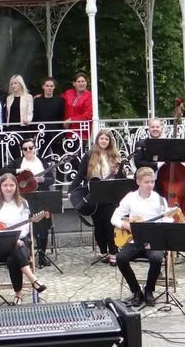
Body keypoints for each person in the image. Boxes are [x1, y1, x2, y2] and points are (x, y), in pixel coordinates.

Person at [112, 167, 171, 307]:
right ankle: (136, 291)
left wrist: (165, 224)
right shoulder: (130, 198)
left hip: (154, 239)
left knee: (156, 258)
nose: (150, 185)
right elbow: (114, 218)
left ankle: (149, 290)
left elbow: (168, 219)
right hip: (135, 239)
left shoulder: (159, 199)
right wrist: (126, 226)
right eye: (146, 182)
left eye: (152, 182)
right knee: (121, 258)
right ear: (138, 182)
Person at [0, 173, 46, 304]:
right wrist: (9, 239)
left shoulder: (23, 203)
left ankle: (18, 293)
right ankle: (32, 279)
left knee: (14, 256)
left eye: (12, 185)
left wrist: (14, 239)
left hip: (21, 242)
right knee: (14, 247)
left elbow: (25, 228)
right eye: (5, 185)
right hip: (0, 244)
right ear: (0, 187)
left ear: (16, 186)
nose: (8, 188)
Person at [69, 130, 125, 265]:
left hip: (111, 194)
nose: (104, 141)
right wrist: (72, 190)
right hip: (94, 193)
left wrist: (120, 173)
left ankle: (113, 252)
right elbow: (81, 174)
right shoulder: (89, 155)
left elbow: (121, 178)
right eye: (102, 139)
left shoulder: (116, 156)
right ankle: (104, 251)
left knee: (110, 223)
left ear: (110, 141)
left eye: (107, 139)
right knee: (99, 224)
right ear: (97, 140)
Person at [7, 139, 55, 267]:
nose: (28, 150)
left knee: (43, 227)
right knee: (24, 227)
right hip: (23, 198)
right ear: (21, 151)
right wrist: (18, 171)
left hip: (41, 197)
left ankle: (42, 255)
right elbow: (4, 171)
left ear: (35, 148)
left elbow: (52, 179)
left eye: (31, 148)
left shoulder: (42, 162)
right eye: (25, 149)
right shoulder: (18, 162)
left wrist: (42, 179)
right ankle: (26, 255)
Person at [33, 76, 65, 154]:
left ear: (54, 87)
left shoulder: (59, 100)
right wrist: (34, 133)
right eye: (47, 86)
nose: (49, 88)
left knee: (59, 155)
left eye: (51, 86)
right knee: (43, 156)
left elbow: (62, 116)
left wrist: (62, 132)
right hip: (42, 132)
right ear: (43, 86)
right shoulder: (37, 100)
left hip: (56, 133)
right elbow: (35, 117)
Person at [62, 73, 93, 141]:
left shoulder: (89, 96)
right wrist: (42, 96)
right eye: (78, 81)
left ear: (86, 83)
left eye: (83, 81)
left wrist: (71, 120)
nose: (81, 83)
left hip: (82, 131)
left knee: (79, 151)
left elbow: (88, 115)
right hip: (68, 130)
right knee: (68, 150)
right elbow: (59, 102)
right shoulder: (68, 93)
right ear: (74, 83)